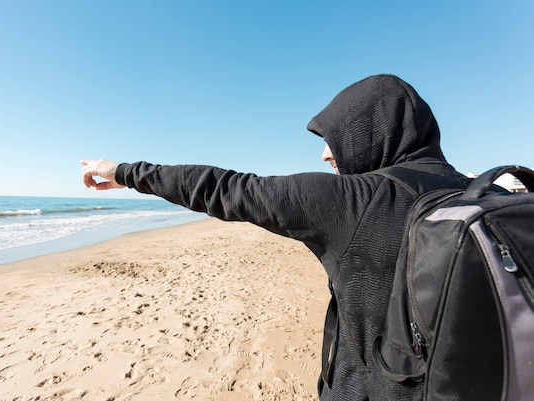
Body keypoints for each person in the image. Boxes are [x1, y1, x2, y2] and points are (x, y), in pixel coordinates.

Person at [80, 74, 470, 401]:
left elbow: (224, 188)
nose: (324, 156)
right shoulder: (490, 196)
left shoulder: (355, 200)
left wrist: (123, 172)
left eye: (335, 139)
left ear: (371, 130)